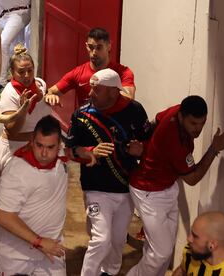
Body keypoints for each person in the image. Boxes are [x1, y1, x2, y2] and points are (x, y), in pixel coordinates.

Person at [127, 96, 224, 276]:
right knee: (160, 254)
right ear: (182, 117)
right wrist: (214, 148)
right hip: (148, 192)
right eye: (193, 123)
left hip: (168, 186)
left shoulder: (175, 110)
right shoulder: (175, 142)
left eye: (202, 123)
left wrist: (147, 148)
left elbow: (155, 121)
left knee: (163, 250)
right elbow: (192, 179)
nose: (198, 129)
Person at [66, 68, 151, 276]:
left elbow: (150, 142)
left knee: (118, 240)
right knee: (101, 239)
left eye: (96, 90)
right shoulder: (82, 114)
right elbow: (69, 150)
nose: (90, 94)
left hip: (125, 189)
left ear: (113, 92)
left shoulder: (135, 111)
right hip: (95, 188)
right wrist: (88, 152)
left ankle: (109, 272)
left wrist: (142, 149)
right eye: (91, 89)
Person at [0, 115, 94, 276]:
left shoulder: (60, 157)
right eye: (39, 145)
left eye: (50, 147)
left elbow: (67, 153)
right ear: (32, 140)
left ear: (58, 145)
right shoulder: (15, 171)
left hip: (52, 251)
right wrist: (40, 242)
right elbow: (3, 216)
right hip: (16, 257)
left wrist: (81, 151)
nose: (44, 153)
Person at [0, 43, 51, 174]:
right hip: (13, 152)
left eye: (30, 70)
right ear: (12, 72)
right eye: (21, 72)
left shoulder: (41, 84)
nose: (26, 75)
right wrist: (23, 110)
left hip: (36, 150)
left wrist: (51, 96)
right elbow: (13, 131)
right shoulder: (9, 94)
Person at [45, 27, 135, 110]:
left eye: (99, 47)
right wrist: (49, 96)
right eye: (91, 47)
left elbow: (129, 97)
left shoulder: (123, 72)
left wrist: (105, 91)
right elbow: (50, 92)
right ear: (86, 46)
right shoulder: (78, 73)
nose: (94, 52)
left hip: (113, 123)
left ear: (109, 46)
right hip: (86, 123)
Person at [0, 0, 31, 102]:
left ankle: (1, 84)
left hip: (20, 12)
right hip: (2, 14)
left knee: (3, 44)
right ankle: (6, 76)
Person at [172, 211, 224, 276]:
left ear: (212, 245)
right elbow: (182, 269)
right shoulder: (190, 252)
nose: (188, 239)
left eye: (195, 236)